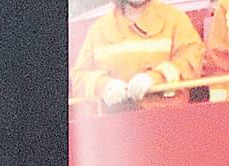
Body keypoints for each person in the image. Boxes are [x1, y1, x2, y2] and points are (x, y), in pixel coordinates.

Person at [72, 0, 203, 106]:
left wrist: (155, 78)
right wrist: (103, 86)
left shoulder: (175, 20)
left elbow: (191, 60)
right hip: (114, 124)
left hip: (166, 120)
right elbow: (79, 77)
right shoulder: (98, 29)